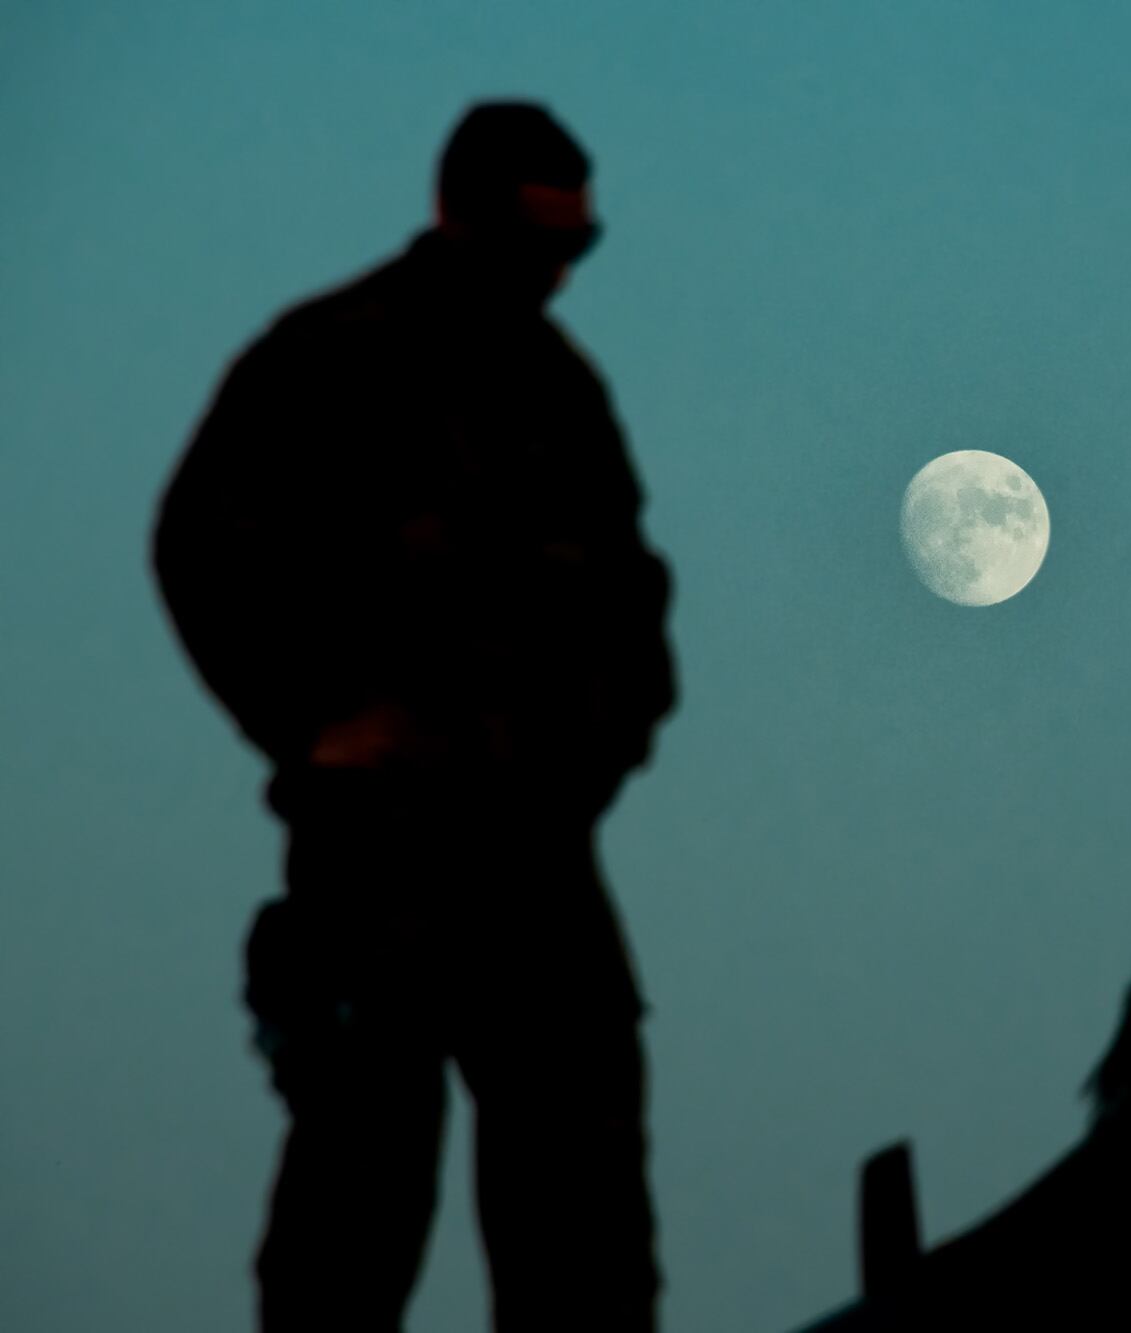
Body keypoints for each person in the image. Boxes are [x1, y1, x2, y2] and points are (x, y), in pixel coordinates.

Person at [151, 101, 675, 1331]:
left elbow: (631, 604)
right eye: (534, 237)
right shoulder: (331, 355)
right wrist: (317, 723)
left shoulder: (563, 390)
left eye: (577, 246)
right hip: (379, 856)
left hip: (539, 855)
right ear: (457, 212)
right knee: (358, 1196)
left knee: (584, 1215)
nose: (553, 270)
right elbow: (195, 546)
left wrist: (599, 741)